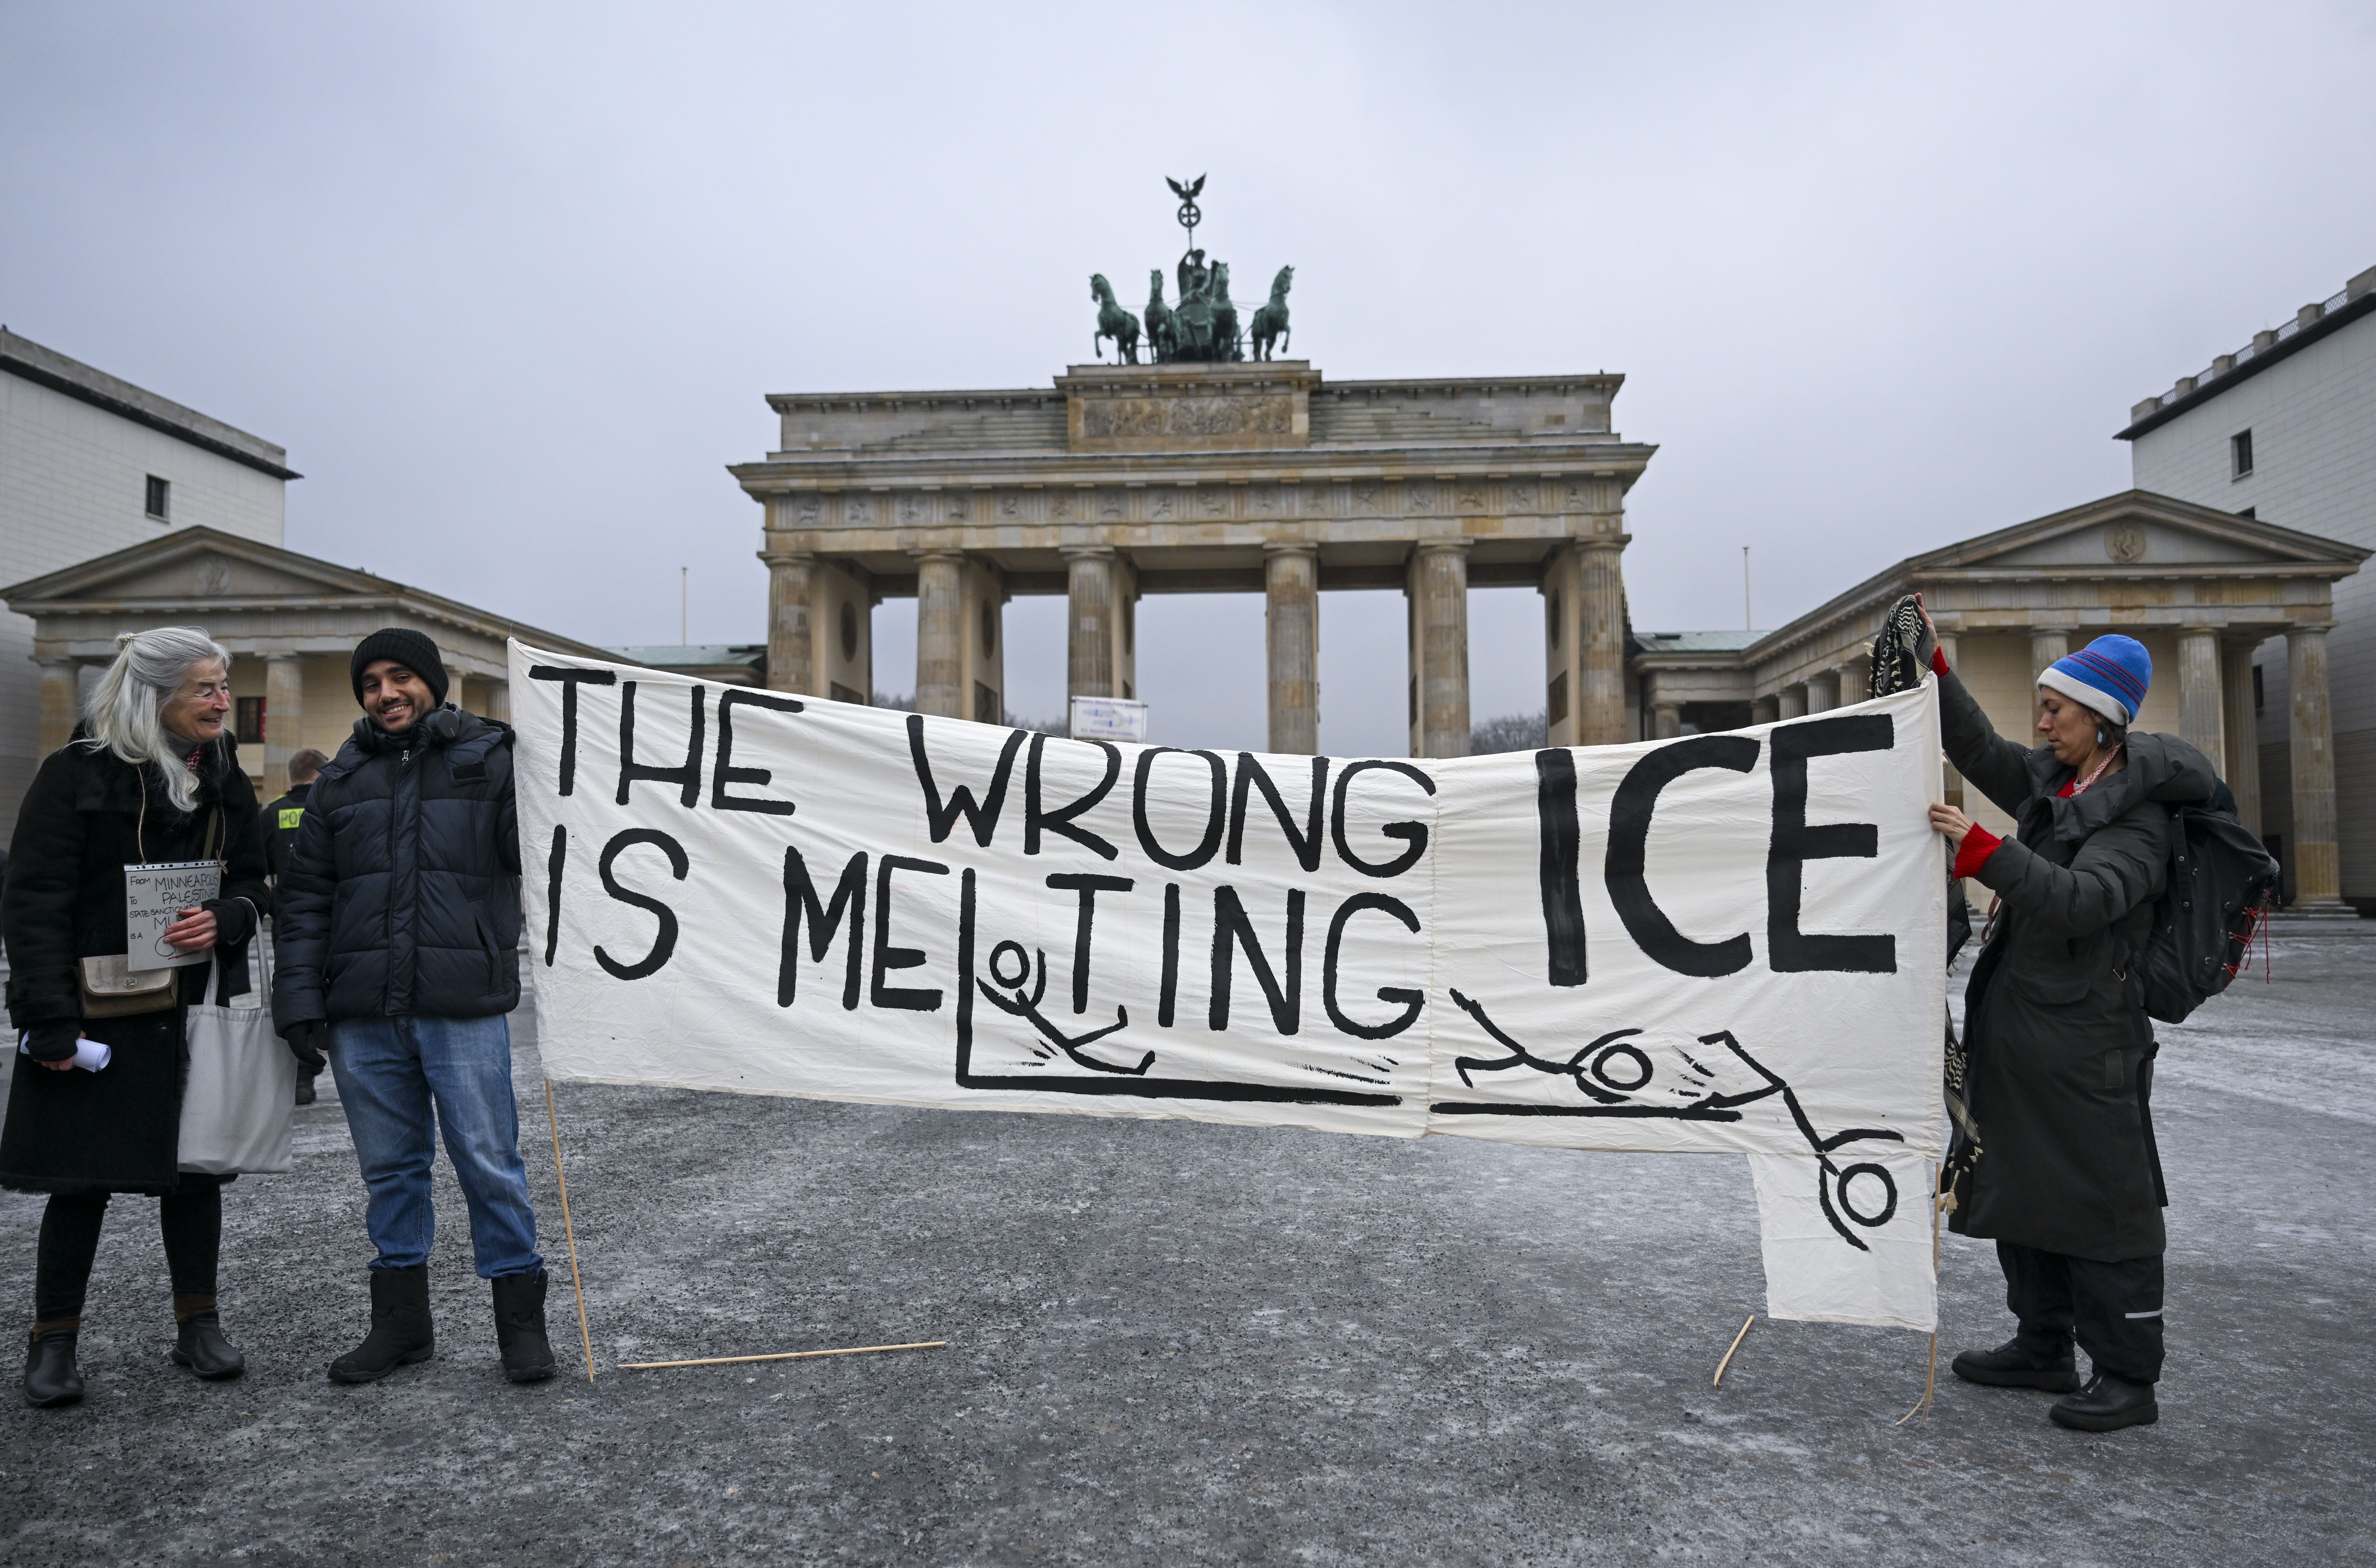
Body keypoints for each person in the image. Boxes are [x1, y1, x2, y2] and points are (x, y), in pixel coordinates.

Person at [1921, 614, 2213, 1433]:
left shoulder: (2138, 817)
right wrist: (1935, 670)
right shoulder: (2063, 785)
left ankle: (2126, 1377)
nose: (2042, 723)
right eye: (2043, 707)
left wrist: (1986, 852)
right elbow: (1981, 754)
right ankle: (2042, 1344)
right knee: (2023, 1188)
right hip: (2023, 1035)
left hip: (2090, 1046)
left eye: (2056, 710)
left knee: (2103, 1207)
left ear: (2102, 719)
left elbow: (2084, 904)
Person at [272, 628, 555, 1385]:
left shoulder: (493, 758)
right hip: (364, 1012)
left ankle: (521, 1324)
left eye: (401, 677)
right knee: (391, 1171)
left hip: (461, 1005)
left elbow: (542, 851)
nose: (386, 693)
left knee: (489, 1163)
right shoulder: (340, 779)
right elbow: (306, 902)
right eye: (371, 683)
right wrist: (298, 1000)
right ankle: (401, 1327)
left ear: (432, 681)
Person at [1, 627, 271, 1407]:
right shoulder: (73, 775)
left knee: (194, 1174)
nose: (224, 701)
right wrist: (46, 1019)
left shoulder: (225, 775)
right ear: (153, 695)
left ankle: (199, 1326)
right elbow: (34, 904)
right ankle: (53, 1342)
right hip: (93, 1012)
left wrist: (228, 916)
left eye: (224, 685)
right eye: (207, 688)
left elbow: (257, 880)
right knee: (77, 1184)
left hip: (186, 1008)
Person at [260, 748, 329, 1104]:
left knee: (297, 996)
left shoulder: (272, 813)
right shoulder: (332, 805)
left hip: (290, 923)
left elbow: (257, 873)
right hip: (338, 919)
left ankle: (303, 1076)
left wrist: (276, 906)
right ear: (321, 773)